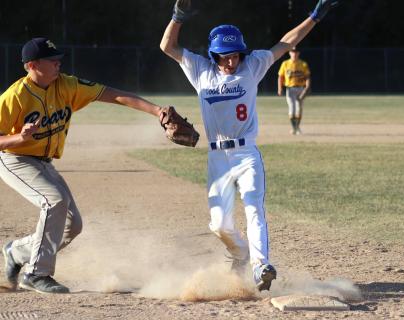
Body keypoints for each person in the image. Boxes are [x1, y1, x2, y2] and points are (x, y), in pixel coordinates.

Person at [160, 0, 338, 291]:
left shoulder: (252, 65)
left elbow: (285, 42)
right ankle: (239, 252)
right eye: (226, 56)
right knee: (219, 224)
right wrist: (178, 17)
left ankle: (260, 266)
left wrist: (314, 17)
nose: (233, 61)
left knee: (254, 206)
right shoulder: (201, 71)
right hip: (218, 157)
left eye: (236, 55)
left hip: (246, 154)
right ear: (214, 55)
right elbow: (168, 46)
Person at [0, 37, 173, 294]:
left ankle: (17, 251)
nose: (58, 63)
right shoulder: (14, 96)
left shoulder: (67, 85)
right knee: (54, 201)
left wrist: (157, 111)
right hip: (14, 158)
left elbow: (114, 95)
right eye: (52, 60)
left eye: (58, 58)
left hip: (43, 162)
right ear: (32, 65)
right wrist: (19, 137)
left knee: (73, 225)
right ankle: (37, 273)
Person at [277, 47, 311, 135]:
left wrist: (307, 87)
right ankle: (294, 128)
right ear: (289, 53)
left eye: (296, 52)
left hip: (300, 89)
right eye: (292, 52)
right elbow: (280, 77)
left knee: (299, 109)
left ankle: (297, 127)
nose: (294, 53)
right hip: (290, 89)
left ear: (298, 53)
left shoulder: (303, 64)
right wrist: (280, 88)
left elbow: (307, 76)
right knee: (292, 109)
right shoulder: (285, 64)